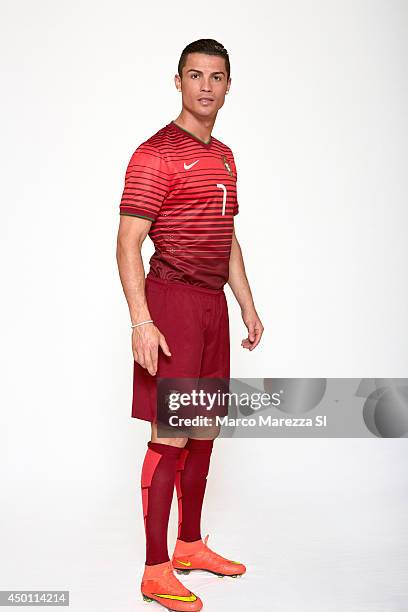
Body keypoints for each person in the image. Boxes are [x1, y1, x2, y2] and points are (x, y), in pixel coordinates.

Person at [116, 38, 264, 611]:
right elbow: (128, 242)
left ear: (228, 86)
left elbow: (226, 238)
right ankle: (155, 570)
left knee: (205, 430)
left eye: (217, 77)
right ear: (177, 82)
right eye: (195, 75)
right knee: (171, 433)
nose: (206, 86)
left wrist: (246, 304)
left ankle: (190, 544)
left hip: (211, 307)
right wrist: (141, 321)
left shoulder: (225, 155)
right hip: (171, 300)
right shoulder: (154, 154)